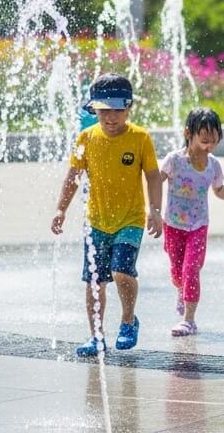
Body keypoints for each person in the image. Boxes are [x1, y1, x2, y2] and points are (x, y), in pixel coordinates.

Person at [49, 73, 164, 357]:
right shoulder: (86, 138)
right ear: (94, 110)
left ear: (128, 108)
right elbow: (73, 176)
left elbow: (152, 177)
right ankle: (96, 336)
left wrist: (156, 211)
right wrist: (61, 209)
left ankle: (128, 320)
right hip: (96, 222)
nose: (111, 117)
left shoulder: (140, 138)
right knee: (94, 281)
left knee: (122, 272)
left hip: (130, 219)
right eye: (104, 111)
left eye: (117, 110)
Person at [159, 107, 224, 337]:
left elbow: (218, 190)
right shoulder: (174, 161)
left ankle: (189, 320)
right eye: (205, 140)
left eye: (214, 141)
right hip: (173, 225)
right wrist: (152, 209)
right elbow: (155, 181)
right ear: (189, 133)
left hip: (198, 226)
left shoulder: (213, 165)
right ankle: (181, 290)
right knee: (177, 273)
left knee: (191, 269)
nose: (209, 146)